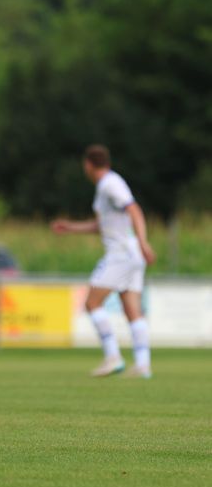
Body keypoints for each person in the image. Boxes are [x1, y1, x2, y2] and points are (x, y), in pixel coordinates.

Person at [51, 144, 156, 378]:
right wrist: (70, 227)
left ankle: (113, 357)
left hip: (121, 253)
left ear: (88, 164)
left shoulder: (110, 183)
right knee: (132, 310)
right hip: (131, 255)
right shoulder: (108, 184)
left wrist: (143, 241)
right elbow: (103, 225)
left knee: (92, 303)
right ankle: (142, 365)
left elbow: (134, 210)